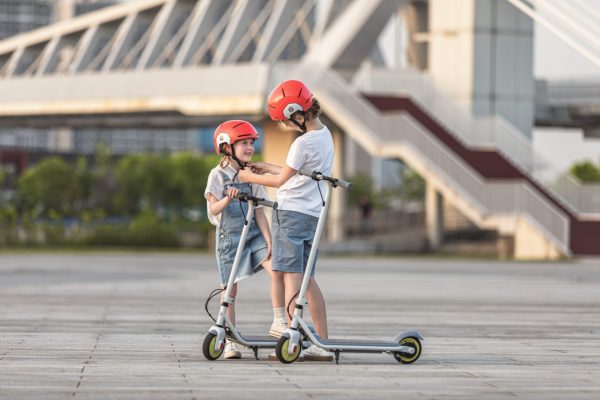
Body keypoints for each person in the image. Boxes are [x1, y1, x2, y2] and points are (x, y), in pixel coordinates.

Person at [238, 80, 334, 362]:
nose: (286, 127)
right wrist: (267, 167)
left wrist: (249, 176)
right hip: (312, 214)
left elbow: (281, 182)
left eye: (286, 122)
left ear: (298, 115)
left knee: (292, 278)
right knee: (307, 279)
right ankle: (322, 342)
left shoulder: (302, 142)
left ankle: (292, 340)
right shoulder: (324, 135)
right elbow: (299, 173)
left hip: (290, 214)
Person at [204, 120, 286, 359]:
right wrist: (228, 199)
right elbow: (214, 209)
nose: (250, 147)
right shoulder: (217, 175)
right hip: (229, 238)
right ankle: (230, 339)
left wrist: (269, 239)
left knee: (277, 269)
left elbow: (259, 209)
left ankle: (279, 320)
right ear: (227, 147)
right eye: (244, 143)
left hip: (253, 235)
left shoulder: (251, 174)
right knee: (229, 290)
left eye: (251, 143)